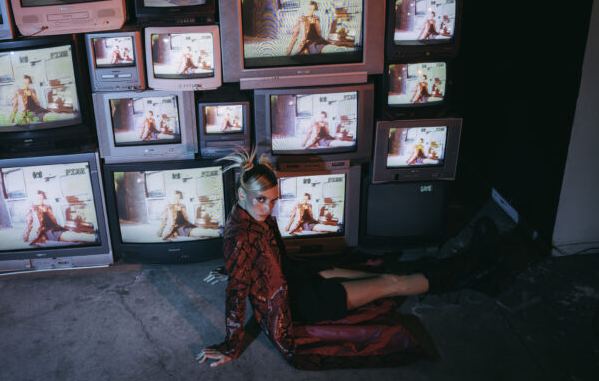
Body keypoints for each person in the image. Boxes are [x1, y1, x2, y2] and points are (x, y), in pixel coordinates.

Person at [196, 149, 502, 369]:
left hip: (298, 277)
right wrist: (231, 346)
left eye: (273, 201)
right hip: (302, 302)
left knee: (383, 272)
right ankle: (474, 266)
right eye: (261, 201)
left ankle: (473, 273)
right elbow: (236, 297)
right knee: (390, 283)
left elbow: (257, 259)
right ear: (241, 195)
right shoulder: (239, 238)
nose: (268, 209)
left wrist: (235, 267)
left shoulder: (248, 217)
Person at [23, 191, 94, 246]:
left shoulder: (47, 207)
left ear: (43, 199)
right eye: (37, 198)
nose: (39, 200)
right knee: (72, 236)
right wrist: (26, 237)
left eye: (41, 198)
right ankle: (93, 238)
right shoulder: (32, 209)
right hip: (45, 232)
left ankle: (92, 238)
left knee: (73, 236)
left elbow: (52, 220)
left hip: (55, 228)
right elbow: (29, 224)